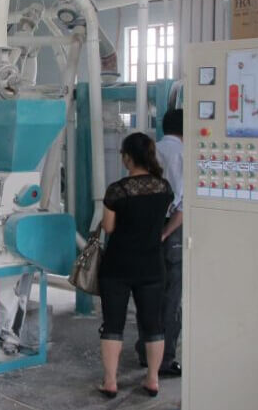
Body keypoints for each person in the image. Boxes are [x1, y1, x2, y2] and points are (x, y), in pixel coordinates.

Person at [97, 132, 173, 399]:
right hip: (152, 265)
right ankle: (152, 379)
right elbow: (167, 216)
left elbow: (108, 227)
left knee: (113, 324)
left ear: (128, 158)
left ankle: (110, 381)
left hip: (118, 265)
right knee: (153, 324)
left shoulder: (117, 190)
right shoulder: (164, 188)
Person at [137, 108, 184, 377]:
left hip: (144, 227)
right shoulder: (184, 155)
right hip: (171, 229)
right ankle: (164, 359)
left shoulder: (150, 151)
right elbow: (184, 205)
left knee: (147, 292)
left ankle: (144, 351)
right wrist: (166, 233)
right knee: (171, 296)